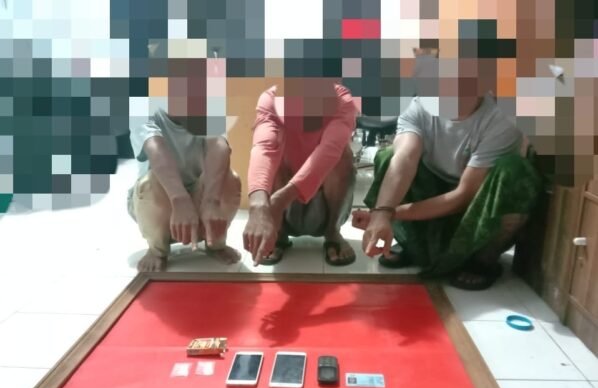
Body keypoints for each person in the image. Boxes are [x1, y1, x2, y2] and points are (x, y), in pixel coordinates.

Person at [353, 51, 542, 290]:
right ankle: (412, 245)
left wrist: (389, 214)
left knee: (514, 171)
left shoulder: (502, 119)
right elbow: (405, 158)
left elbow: (463, 195)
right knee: (388, 156)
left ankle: (484, 259)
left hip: (477, 199)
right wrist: (381, 214)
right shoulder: (418, 108)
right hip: (432, 186)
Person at [243, 77, 358, 266]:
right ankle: (278, 233)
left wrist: (279, 201)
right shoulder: (270, 99)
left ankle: (332, 232)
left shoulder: (342, 101)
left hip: (325, 200)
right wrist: (258, 206)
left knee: (342, 155)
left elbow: (329, 150)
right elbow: (264, 147)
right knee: (273, 155)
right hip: (283, 204)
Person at [128, 108, 241, 272]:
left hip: (198, 197)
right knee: (150, 182)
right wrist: (180, 200)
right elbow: (155, 149)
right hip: (160, 200)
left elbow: (219, 146)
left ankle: (215, 242)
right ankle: (157, 249)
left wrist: (211, 201)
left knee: (229, 179)